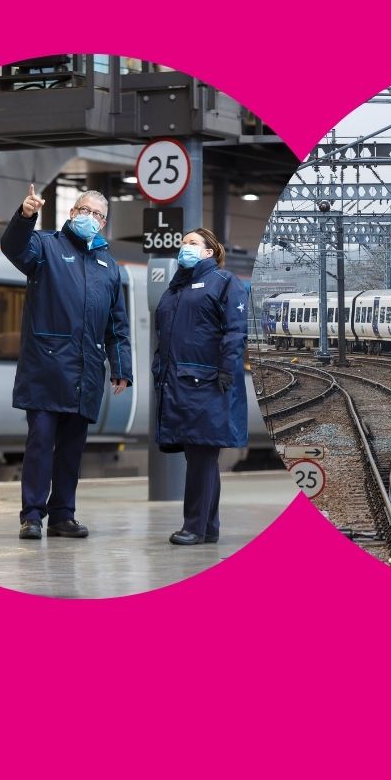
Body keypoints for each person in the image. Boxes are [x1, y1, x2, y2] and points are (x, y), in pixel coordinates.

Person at [1, 186, 132, 540]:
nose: (89, 218)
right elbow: (13, 248)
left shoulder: (109, 266)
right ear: (72, 213)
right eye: (83, 210)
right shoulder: (45, 246)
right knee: (41, 442)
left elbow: (117, 325)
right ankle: (31, 515)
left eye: (97, 214)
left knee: (72, 450)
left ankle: (62, 515)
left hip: (86, 372)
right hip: (45, 369)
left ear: (104, 223)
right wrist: (25, 216)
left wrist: (121, 368)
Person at [152, 228, 248, 545]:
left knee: (202, 455)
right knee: (200, 456)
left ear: (209, 252)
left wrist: (226, 370)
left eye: (192, 243)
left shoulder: (224, 283)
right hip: (179, 383)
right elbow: (163, 337)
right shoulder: (174, 290)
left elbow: (236, 332)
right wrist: (158, 370)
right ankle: (208, 526)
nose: (184, 247)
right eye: (183, 243)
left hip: (208, 383)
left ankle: (194, 526)